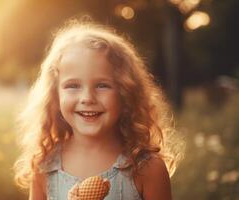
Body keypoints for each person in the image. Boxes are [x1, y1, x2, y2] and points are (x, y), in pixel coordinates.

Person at [14, 18, 183, 200]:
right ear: (55, 95)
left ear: (124, 91)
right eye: (73, 85)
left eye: (102, 85)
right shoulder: (44, 167)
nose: (87, 98)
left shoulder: (147, 169)